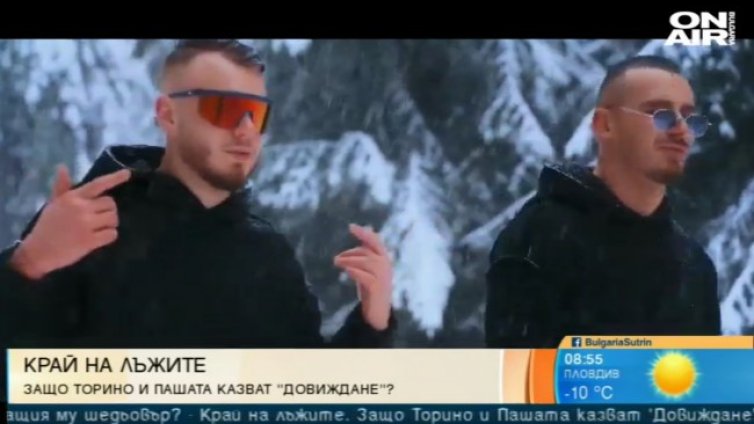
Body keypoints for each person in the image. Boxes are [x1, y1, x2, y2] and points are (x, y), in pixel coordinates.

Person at [0, 40, 396, 398]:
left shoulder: (267, 255)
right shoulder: (88, 225)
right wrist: (28, 265)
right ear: (168, 114)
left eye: (256, 114)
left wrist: (370, 324)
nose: (246, 131)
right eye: (225, 109)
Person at [484, 55, 721, 348]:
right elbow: (521, 372)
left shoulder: (693, 265)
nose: (682, 131)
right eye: (660, 114)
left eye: (691, 119)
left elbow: (705, 375)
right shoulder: (539, 239)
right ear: (605, 124)